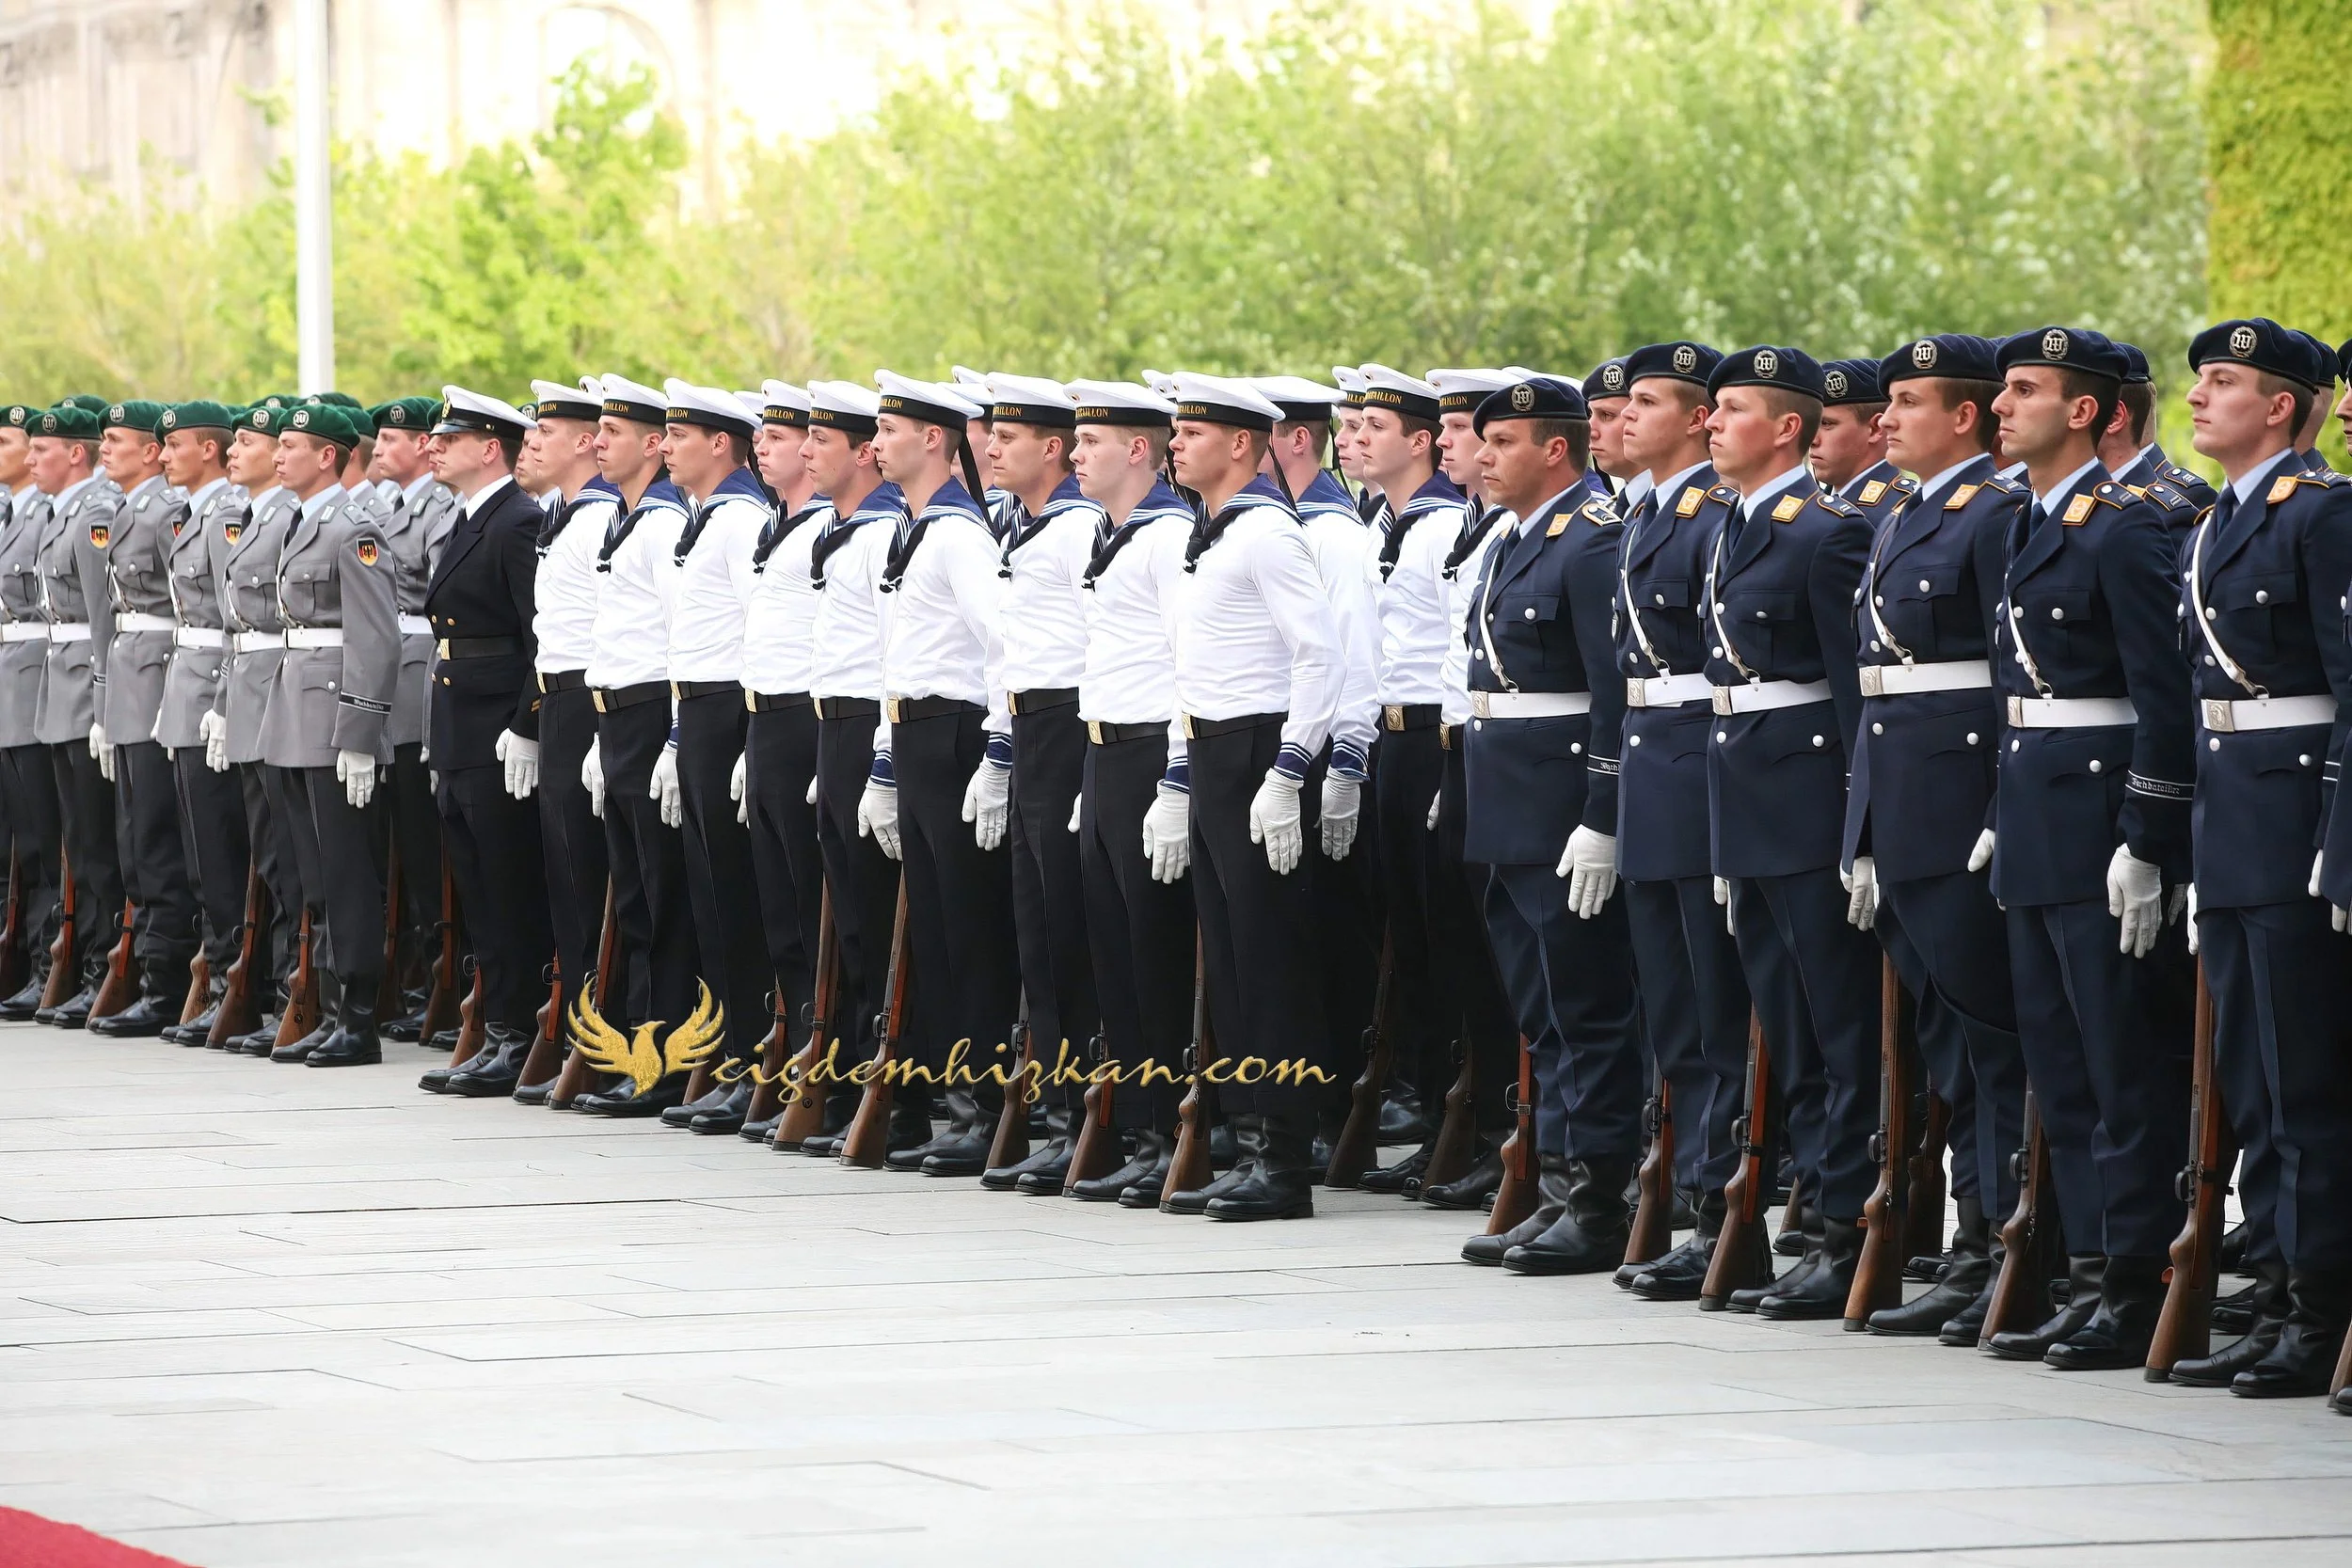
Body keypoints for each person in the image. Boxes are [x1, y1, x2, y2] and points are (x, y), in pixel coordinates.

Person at [1980, 325, 2194, 1367]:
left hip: (2101, 821)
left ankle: (2135, 1274)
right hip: (2034, 816)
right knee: (2059, 1066)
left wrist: (2148, 831)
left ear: (2082, 410)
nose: (2001, 404)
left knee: (2122, 1063)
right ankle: (2083, 1273)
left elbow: (2166, 696)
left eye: (2025, 390)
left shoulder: (2124, 529)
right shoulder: (2024, 520)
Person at [1846, 336, 2029, 1343]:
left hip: (1961, 809)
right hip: (1906, 810)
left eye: (1909, 401)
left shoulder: (1993, 515)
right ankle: (1971, 1237)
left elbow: (2017, 680)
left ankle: (2001, 1236)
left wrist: (2000, 812)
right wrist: (1861, 826)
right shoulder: (1904, 514)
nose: (1887, 418)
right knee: (1944, 1039)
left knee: (1989, 1038)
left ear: (1965, 417)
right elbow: (1873, 689)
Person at [2183, 320, 2352, 1398]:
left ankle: (2319, 1300)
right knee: (2251, 1072)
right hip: (2230, 816)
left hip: (2294, 821)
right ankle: (2283, 1280)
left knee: (2303, 1078)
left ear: (2282, 406)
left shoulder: (2321, 515)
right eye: (2198, 380)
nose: (2200, 398)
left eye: (2226, 382)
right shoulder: (2216, 523)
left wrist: (2337, 840)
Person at [1694, 347, 1877, 1320]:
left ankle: (1843, 1223)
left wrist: (1860, 830)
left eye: (1733, 410)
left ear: (1789, 429)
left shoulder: (1824, 534)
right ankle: (1807, 1206)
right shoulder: (1731, 527)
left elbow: (1853, 701)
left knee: (1836, 1025)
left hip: (1808, 806)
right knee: (1788, 1030)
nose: (1712, 424)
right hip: (1748, 809)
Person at [1446, 375, 1642, 1274]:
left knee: (1586, 1007)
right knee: (1543, 1011)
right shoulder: (1512, 540)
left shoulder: (1590, 542)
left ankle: (1597, 1199)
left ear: (1554, 449)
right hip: (1507, 807)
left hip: (1564, 810)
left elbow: (1613, 696)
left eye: (1503, 443)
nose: (1482, 459)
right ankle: (1559, 1180)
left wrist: (1602, 814)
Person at [1158, 372, 1342, 1221]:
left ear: (1242, 444)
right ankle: (1249, 1134)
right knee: (1228, 959)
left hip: (1260, 749)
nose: (1175, 444)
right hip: (1212, 749)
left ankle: (1286, 1161)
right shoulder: (1211, 530)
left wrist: (1291, 769)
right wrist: (1177, 775)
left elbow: (1320, 656)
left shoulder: (1267, 532)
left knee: (1271, 962)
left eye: (1192, 433)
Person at [1602, 343, 1756, 1298]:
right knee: (1672, 1007)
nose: (1622, 416)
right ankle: (1692, 1191)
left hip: (1701, 769)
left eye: (1646, 402)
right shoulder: (1642, 514)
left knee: (1712, 1009)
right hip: (1652, 769)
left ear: (1697, 419)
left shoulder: (1711, 517)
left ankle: (1718, 1201)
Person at [860, 372, 1018, 1175]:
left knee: (970, 933)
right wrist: (885, 762)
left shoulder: (959, 534)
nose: (875, 441)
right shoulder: (910, 528)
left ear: (934, 439)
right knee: (935, 931)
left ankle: (983, 1106)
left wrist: (996, 756)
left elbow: (1002, 649)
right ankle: (955, 1100)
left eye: (889, 428)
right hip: (915, 737)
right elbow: (899, 658)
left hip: (958, 737)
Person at [1062, 378, 1200, 1205]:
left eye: (1091, 444)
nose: (1076, 456)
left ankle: (1177, 1129)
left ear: (1137, 451)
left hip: (1154, 752)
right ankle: (1143, 1127)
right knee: (1113, 953)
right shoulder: (1113, 535)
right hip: (1105, 752)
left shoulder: (1167, 538)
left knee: (1156, 956)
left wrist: (1177, 777)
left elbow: (1192, 664)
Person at [977, 373, 1104, 1192]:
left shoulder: (1080, 527)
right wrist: (997, 748)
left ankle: (1094, 1112)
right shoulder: (1025, 526)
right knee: (1037, 927)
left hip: (1071, 725)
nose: (990, 446)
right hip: (1029, 726)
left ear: (1051, 448)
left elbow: (1107, 645)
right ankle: (1060, 1110)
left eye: (1009, 435)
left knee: (1070, 927)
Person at [634, 380, 773, 1123]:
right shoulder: (703, 516)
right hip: (700, 713)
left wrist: (742, 736)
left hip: (730, 709)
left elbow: (759, 633)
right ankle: (727, 1056)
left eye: (679, 436)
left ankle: (752, 1060)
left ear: (721, 443)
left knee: (734, 899)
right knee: (710, 896)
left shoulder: (741, 518)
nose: (665, 446)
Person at [414, 388, 557, 1094]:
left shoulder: (516, 521)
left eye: (451, 437)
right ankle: (498, 1027)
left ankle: (519, 1033)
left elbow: (540, 636)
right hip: (460, 728)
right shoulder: (473, 517)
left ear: (488, 448)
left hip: (498, 730)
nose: (434, 447)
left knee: (507, 888)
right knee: (478, 888)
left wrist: (526, 724)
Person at [1256, 374, 1381, 1172]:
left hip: (1330, 751)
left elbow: (1353, 654)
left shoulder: (1330, 531)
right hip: (1302, 751)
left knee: (1330, 943)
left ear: (1291, 439)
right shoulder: (1294, 523)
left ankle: (1339, 1112)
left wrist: (1345, 763)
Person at [255, 401, 400, 1068]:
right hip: (294, 712)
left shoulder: (354, 528)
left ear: (328, 456)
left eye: (291, 445)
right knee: (312, 874)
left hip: (334, 719)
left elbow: (376, 638)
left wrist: (360, 733)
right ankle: (330, 1005)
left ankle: (359, 1018)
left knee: (346, 875)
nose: (278, 455)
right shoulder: (297, 521)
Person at [1352, 365, 1470, 1187]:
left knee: (1450, 936)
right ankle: (1437, 1118)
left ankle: (1471, 1117)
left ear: (1419, 442)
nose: (1354, 439)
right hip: (1392, 739)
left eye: (1374, 428)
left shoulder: (1441, 528)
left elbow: (1458, 649)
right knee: (1413, 942)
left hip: (1434, 735)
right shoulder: (1381, 524)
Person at [797, 379, 919, 1156]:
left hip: (872, 731)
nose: (808, 451)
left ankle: (899, 1096)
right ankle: (854, 1084)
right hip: (831, 730)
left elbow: (891, 654)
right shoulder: (841, 529)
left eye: (821, 440)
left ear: (864, 454)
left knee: (879, 928)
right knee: (846, 928)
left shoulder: (881, 533)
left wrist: (879, 759)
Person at [573, 375, 698, 1116]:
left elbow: (686, 640)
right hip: (617, 718)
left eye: (613, 433)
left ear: (654, 445)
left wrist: (676, 737)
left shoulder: (662, 526)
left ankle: (663, 1060)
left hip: (654, 715)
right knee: (637, 903)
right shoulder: (627, 522)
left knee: (663, 899)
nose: (598, 443)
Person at [726, 381, 825, 1142]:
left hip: (805, 720)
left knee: (812, 906)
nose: (766, 445)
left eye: (786, 437)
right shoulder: (780, 523)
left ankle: (825, 1067)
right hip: (763, 722)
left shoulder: (830, 527)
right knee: (776, 912)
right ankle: (790, 1057)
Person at [81, 401, 198, 1036]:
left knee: (155, 839)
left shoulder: (167, 512)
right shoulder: (125, 508)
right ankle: (154, 976)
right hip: (130, 677)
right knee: (133, 840)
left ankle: (168, 980)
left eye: (118, 439)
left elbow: (191, 604)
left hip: (157, 679)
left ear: (152, 451)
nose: (105, 447)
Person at [152, 402, 251, 1046]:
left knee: (220, 849)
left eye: (176, 445)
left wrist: (221, 699)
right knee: (196, 849)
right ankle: (216, 973)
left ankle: (232, 982)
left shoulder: (226, 518)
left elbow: (233, 617)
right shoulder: (192, 514)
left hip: (214, 692)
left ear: (210, 451)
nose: (164, 456)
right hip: (184, 688)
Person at [359, 396, 457, 1044]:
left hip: (421, 669)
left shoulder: (439, 509)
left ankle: (446, 978)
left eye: (393, 438)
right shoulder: (382, 505)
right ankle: (419, 973)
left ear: (425, 446)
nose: (378, 448)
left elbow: (436, 597)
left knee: (429, 850)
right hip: (387, 675)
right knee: (397, 841)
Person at [213, 405, 308, 1054]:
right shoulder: (256, 516)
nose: (237, 452)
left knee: (287, 856)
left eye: (250, 441)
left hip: (282, 693)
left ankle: (293, 991)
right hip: (249, 690)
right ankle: (279, 987)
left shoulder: (287, 518)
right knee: (267, 855)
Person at [27, 402, 125, 1028]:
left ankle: (103, 967)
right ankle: (86, 961)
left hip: (86, 691)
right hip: (56, 689)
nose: (34, 458)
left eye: (44, 449)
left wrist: (102, 698)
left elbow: (101, 619)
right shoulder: (57, 513)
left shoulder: (93, 514)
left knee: (97, 842)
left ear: (77, 455)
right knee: (78, 844)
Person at [0, 405, 60, 1022]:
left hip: (36, 681)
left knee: (42, 837)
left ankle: (49, 962)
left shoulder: (51, 514)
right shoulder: (10, 511)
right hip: (10, 678)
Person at [1810, 359, 1916, 522]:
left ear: (1876, 429)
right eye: (1812, 424)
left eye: (1826, 424)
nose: (1812, 439)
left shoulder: (1908, 511)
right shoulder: (1814, 506)